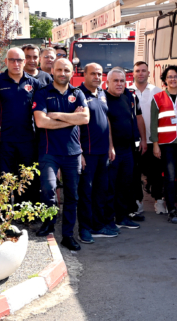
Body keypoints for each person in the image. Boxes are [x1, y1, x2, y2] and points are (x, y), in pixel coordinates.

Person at [32, 59, 89, 251]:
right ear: (52, 71)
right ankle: (49, 223)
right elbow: (41, 122)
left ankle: (67, 235)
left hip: (73, 153)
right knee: (48, 190)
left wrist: (56, 115)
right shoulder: (42, 93)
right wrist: (73, 119)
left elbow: (85, 118)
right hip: (49, 152)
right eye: (59, 69)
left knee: (72, 196)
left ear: (72, 72)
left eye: (66, 70)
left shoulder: (77, 93)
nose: (62, 73)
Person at [0, 48, 42, 205]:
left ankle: (24, 215)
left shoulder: (34, 83)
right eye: (12, 60)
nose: (16, 63)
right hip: (4, 141)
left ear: (24, 62)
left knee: (26, 181)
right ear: (6, 61)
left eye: (19, 60)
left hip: (28, 141)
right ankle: (4, 215)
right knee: (4, 181)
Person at [78, 63, 117, 242]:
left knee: (101, 191)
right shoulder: (78, 94)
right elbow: (74, 126)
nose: (97, 77)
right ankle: (85, 229)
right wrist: (79, 152)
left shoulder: (102, 93)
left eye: (100, 74)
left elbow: (106, 121)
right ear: (84, 75)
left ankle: (98, 226)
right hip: (87, 153)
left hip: (103, 152)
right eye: (93, 73)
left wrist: (110, 146)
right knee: (86, 193)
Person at [105, 68, 146, 230]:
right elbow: (106, 125)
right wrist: (111, 147)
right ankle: (109, 220)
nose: (119, 84)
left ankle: (122, 217)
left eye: (122, 81)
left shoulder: (126, 98)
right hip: (112, 151)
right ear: (107, 82)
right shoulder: (103, 99)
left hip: (128, 149)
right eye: (115, 80)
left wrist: (141, 139)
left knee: (125, 185)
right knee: (110, 187)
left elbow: (135, 119)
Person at [151, 66, 177, 224]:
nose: (172, 79)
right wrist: (155, 144)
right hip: (166, 144)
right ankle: (172, 210)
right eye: (169, 76)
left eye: (175, 76)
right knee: (169, 177)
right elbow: (153, 124)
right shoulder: (157, 98)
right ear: (165, 79)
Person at [128, 61, 163, 215]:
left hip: (154, 140)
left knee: (156, 173)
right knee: (135, 173)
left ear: (149, 73)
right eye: (137, 71)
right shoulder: (127, 92)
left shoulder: (157, 91)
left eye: (143, 70)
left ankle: (159, 201)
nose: (140, 73)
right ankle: (138, 202)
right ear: (133, 73)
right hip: (135, 141)